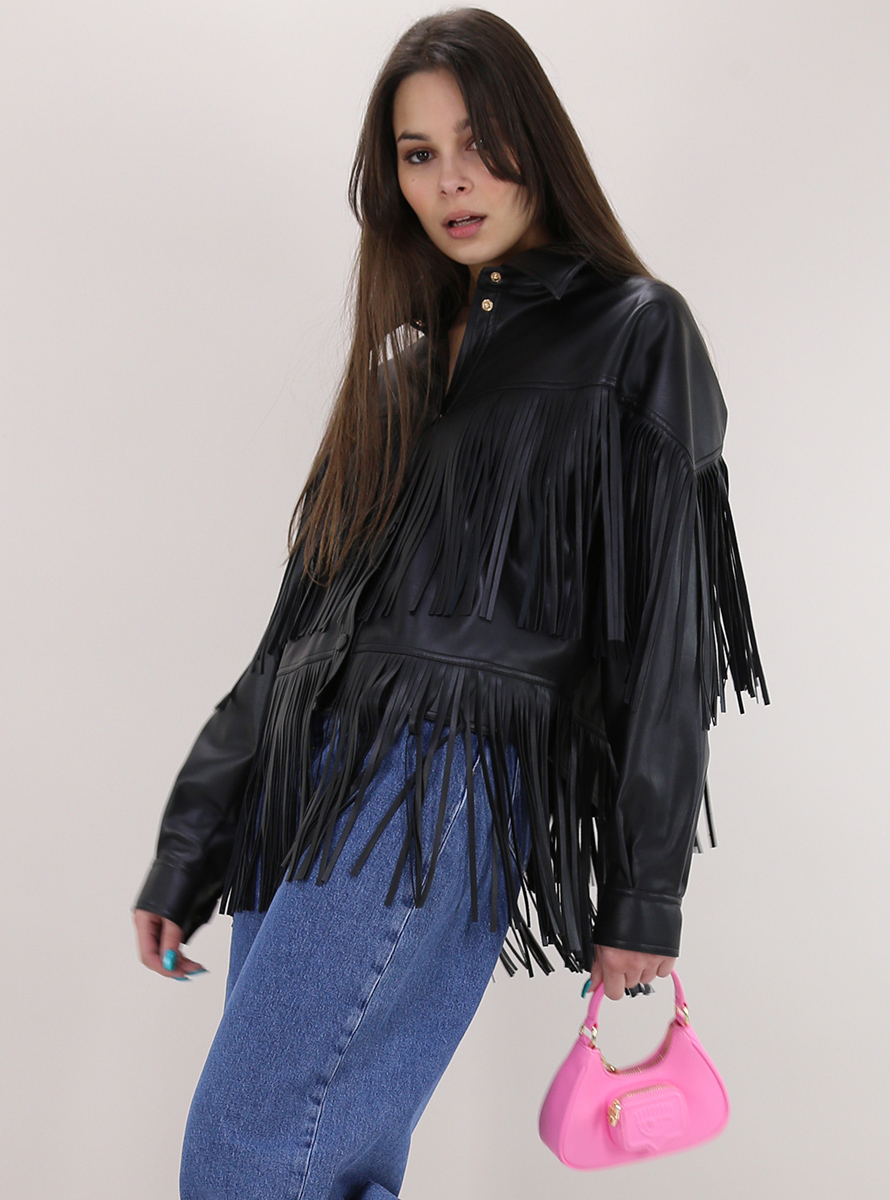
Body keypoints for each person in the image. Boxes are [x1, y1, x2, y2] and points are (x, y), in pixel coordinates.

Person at [132, 8, 767, 1198]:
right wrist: (192, 843)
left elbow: (667, 640)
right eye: (418, 154)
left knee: (251, 1152)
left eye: (476, 141)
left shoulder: (635, 333)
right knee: (316, 1154)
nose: (450, 182)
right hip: (301, 783)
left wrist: (644, 893)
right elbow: (293, 637)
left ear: (537, 139)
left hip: (436, 781)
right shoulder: (404, 365)